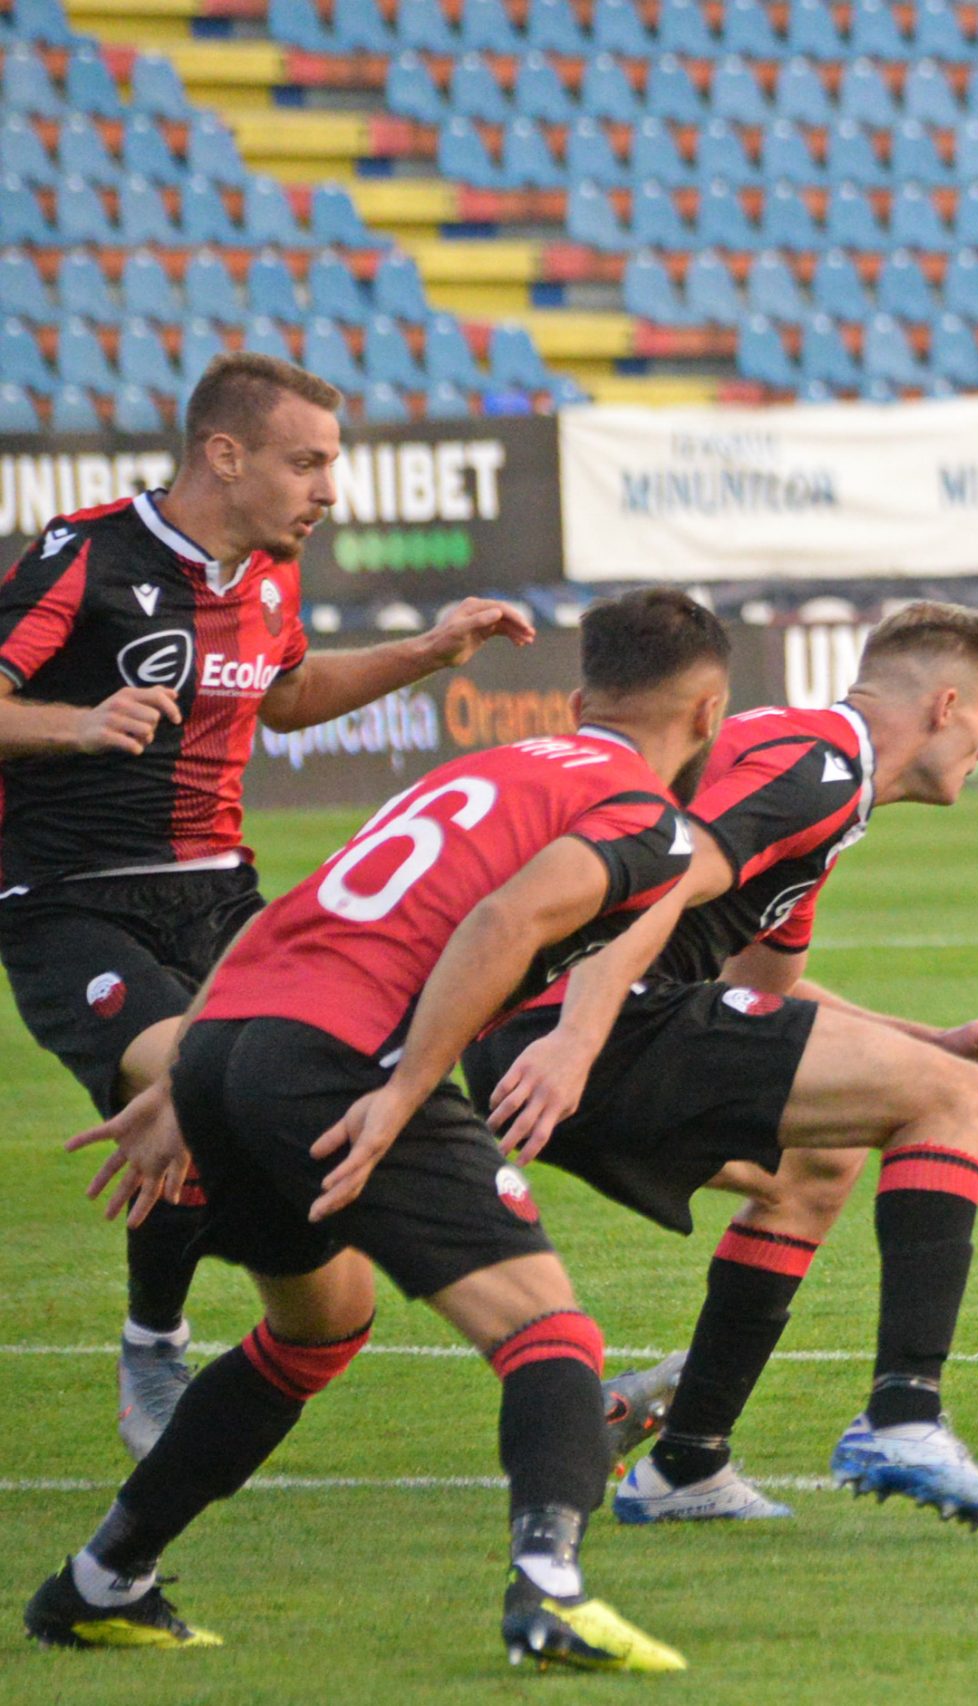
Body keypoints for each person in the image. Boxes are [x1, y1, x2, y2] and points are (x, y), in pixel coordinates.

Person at [24, 589, 733, 1668]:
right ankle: (551, 1591)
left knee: (316, 1329)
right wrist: (403, 1093)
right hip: (343, 1059)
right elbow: (507, 920)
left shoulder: (486, 771)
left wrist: (181, 1080)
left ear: (581, 702)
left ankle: (99, 1579)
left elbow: (300, 908)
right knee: (549, 1332)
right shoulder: (643, 814)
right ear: (710, 712)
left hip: (230, 1041)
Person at [0, 353, 535, 1459]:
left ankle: (535, 1353)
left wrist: (428, 651)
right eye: (307, 463)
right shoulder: (87, 554)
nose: (328, 490)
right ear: (225, 455)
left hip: (225, 900)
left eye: (331, 464)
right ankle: (155, 1336)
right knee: (201, 1077)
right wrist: (77, 725)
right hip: (71, 906)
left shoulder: (269, 578)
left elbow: (285, 696)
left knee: (323, 1093)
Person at [461, 601, 978, 1531]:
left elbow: (764, 989)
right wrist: (574, 1040)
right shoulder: (819, 767)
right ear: (943, 707)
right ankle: (905, 1417)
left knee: (820, 1159)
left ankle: (686, 1461)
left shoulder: (820, 780)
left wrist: (929, 1043)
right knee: (957, 1101)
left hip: (559, 1028)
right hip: (578, 1029)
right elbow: (660, 872)